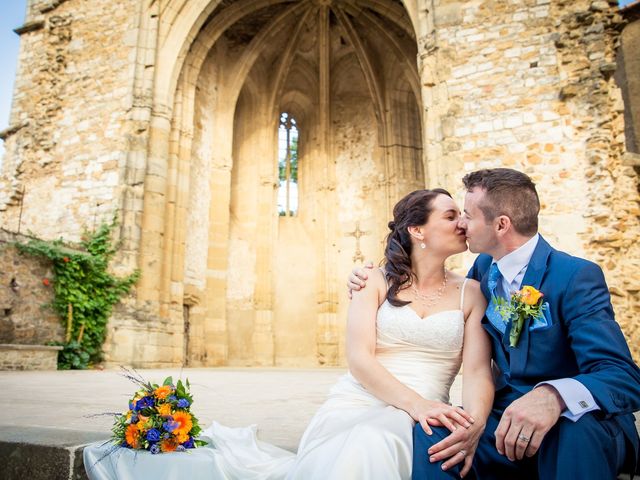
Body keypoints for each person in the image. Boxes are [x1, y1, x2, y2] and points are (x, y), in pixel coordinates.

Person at [84, 188, 493, 480]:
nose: (462, 222)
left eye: (462, 214)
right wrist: (416, 405)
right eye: (450, 214)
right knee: (369, 440)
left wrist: (471, 425)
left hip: (430, 410)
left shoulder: (471, 292)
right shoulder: (373, 281)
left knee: (379, 441)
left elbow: (476, 372)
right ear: (417, 231)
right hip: (361, 403)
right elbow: (360, 360)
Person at [348, 168, 640, 479]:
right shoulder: (483, 272)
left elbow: (623, 376)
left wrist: (553, 396)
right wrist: (364, 281)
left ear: (501, 225)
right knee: (436, 436)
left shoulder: (575, 276)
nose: (461, 224)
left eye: (468, 216)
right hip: (504, 417)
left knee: (574, 431)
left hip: (576, 424)